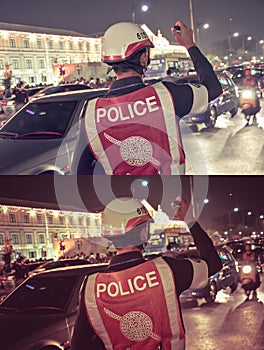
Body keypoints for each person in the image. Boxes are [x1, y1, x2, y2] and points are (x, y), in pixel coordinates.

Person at [71, 20, 222, 175]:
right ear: (144, 58)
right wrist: (190, 45)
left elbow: (79, 173)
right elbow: (213, 88)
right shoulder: (167, 96)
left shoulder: (91, 113)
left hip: (122, 198)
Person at [71, 196, 222, 350]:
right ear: (144, 233)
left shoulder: (91, 288)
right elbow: (214, 263)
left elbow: (78, 345)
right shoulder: (167, 271)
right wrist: (190, 221)